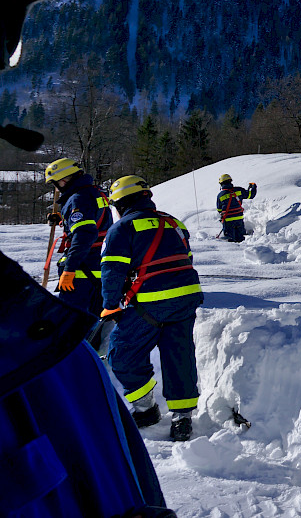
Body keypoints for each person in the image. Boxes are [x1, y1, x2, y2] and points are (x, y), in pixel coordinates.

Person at [0, 0, 174, 515]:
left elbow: (98, 257)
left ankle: (165, 409)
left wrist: (94, 301)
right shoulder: (51, 361)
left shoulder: (53, 365)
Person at [100, 175, 203, 442]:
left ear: (121, 203)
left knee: (122, 354)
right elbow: (186, 258)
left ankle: (146, 409)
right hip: (187, 298)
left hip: (150, 302)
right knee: (178, 355)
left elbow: (112, 270)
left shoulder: (122, 228)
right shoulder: (174, 223)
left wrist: (110, 304)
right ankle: (182, 418)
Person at [45, 156, 113, 318]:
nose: (56, 189)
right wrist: (63, 219)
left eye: (56, 184)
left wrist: (69, 269)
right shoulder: (93, 192)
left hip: (81, 271)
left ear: (65, 180)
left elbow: (84, 235)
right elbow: (94, 222)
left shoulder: (78, 199)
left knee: (71, 323)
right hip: (99, 267)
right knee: (94, 322)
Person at [216, 173, 256, 242]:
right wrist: (253, 186)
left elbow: (219, 209)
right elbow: (251, 195)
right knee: (241, 240)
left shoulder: (220, 195)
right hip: (239, 219)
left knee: (230, 241)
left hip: (228, 221)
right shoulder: (239, 190)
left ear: (221, 184)